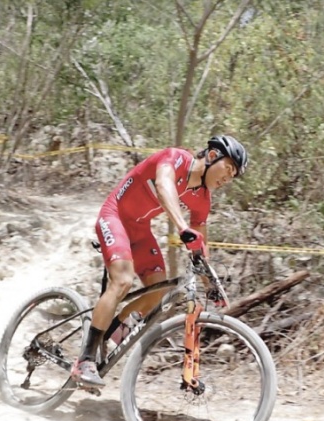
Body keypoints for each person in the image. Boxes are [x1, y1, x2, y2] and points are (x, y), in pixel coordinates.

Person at [72, 135, 249, 386]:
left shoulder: (203, 199)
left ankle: (107, 339)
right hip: (114, 216)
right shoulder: (175, 158)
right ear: (212, 156)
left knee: (160, 292)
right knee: (122, 281)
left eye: (233, 176)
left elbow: (201, 243)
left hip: (139, 229)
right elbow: (165, 187)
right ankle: (84, 361)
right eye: (228, 169)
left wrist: (210, 282)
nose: (228, 178)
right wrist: (181, 226)